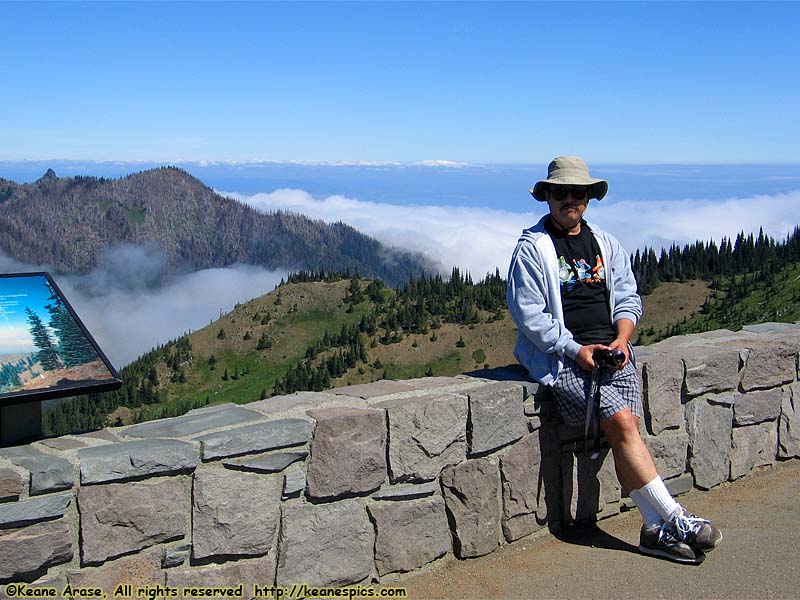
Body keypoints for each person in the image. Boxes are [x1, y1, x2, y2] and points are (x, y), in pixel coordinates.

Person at [506, 156, 722, 564]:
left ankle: (652, 530)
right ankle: (677, 517)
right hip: (563, 361)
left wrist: (623, 341)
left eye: (579, 193)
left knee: (627, 432)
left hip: (613, 354)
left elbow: (627, 297)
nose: (570, 200)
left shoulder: (606, 244)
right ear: (547, 197)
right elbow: (530, 315)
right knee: (623, 423)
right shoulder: (532, 250)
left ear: (588, 198)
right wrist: (576, 350)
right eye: (562, 193)